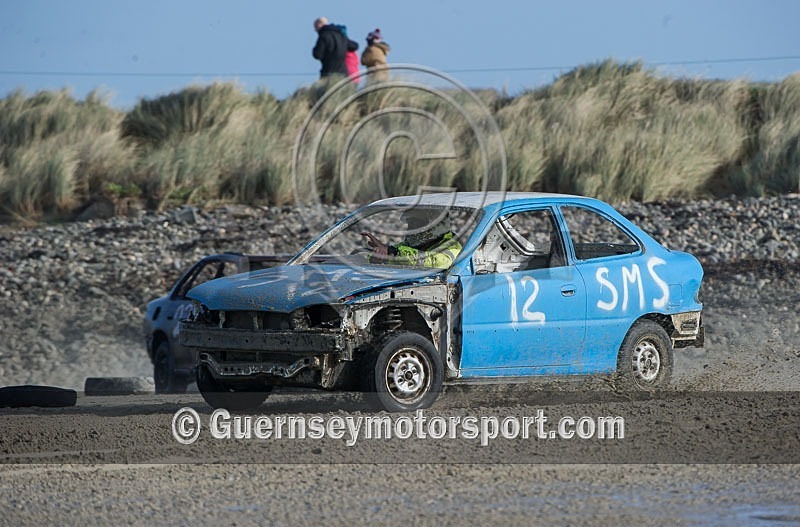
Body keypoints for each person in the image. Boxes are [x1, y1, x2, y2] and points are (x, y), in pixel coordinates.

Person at [361, 210, 462, 268]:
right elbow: (394, 252)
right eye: (410, 224)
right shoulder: (411, 244)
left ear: (435, 225)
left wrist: (392, 252)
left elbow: (438, 262)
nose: (411, 229)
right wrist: (378, 255)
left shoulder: (453, 245)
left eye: (417, 224)